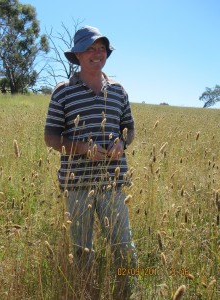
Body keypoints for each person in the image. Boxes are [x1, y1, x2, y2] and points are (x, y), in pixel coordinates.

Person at [44, 25, 137, 298]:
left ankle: (127, 291)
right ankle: (86, 293)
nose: (97, 53)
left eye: (101, 48)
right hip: (78, 184)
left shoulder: (119, 90)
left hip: (112, 182)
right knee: (83, 250)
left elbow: (129, 127)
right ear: (77, 55)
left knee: (123, 245)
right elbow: (51, 137)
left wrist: (123, 142)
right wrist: (84, 148)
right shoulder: (62, 91)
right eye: (89, 48)